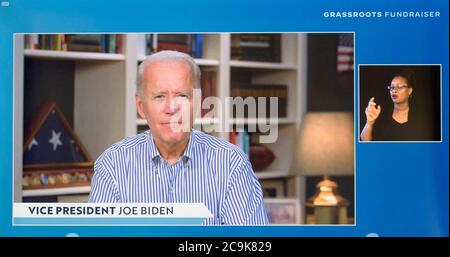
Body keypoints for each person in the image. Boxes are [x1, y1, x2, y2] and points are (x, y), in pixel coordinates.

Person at [88, 50, 269, 225]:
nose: (171, 108)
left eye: (182, 96)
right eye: (159, 97)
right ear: (141, 106)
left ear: (197, 103)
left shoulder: (231, 164)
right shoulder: (113, 164)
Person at [360, 69, 427, 141]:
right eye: (392, 87)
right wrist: (369, 123)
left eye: (400, 87)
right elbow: (365, 141)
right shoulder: (380, 113)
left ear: (409, 91)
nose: (394, 90)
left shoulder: (420, 116)